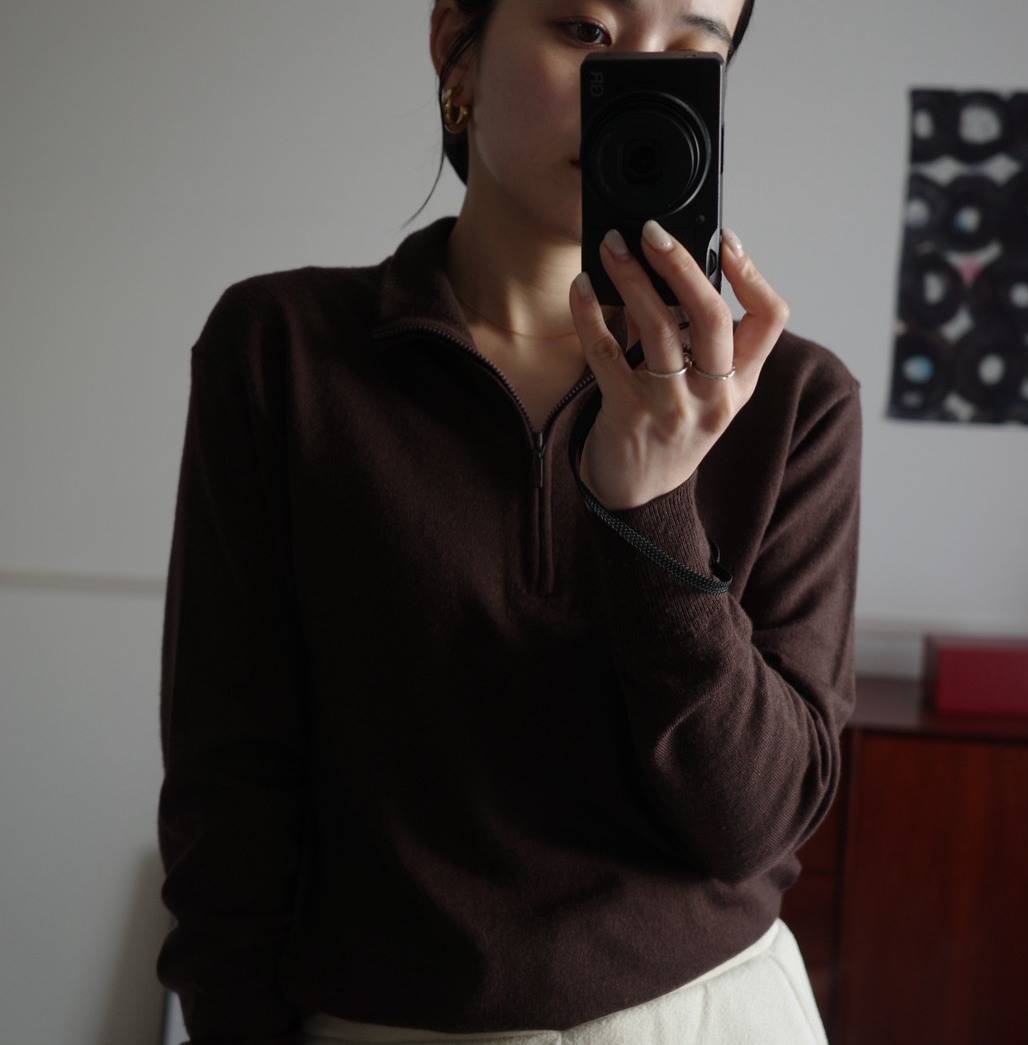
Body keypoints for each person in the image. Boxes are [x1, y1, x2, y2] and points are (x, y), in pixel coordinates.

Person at [156, 1, 861, 1043]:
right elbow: (229, 787)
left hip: (706, 1013)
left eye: (691, 49)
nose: (629, 83)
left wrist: (654, 502)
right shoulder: (282, 352)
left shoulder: (789, 398)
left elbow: (751, 823)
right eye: (583, 29)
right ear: (457, 44)